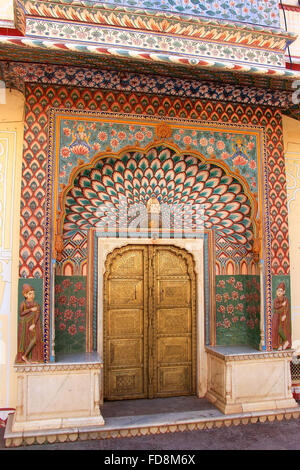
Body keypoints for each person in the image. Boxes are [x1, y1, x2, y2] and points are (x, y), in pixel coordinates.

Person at [16, 284, 43, 363]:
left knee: (35, 339)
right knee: (26, 341)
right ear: (25, 294)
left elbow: (38, 314)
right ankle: (24, 357)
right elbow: (21, 313)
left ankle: (27, 356)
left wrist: (34, 324)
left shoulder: (36, 304)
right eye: (30, 293)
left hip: (32, 325)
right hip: (24, 325)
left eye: (33, 293)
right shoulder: (23, 304)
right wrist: (31, 309)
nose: (32, 295)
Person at [272, 282, 291, 350]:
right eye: (278, 291)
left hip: (282, 316)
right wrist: (282, 305)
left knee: (281, 330)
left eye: (281, 291)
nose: (279, 292)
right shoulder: (276, 299)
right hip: (276, 316)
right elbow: (275, 306)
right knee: (276, 330)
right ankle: (279, 345)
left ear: (284, 292)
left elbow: (287, 308)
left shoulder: (286, 299)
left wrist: (285, 315)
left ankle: (285, 342)